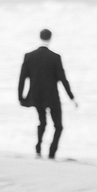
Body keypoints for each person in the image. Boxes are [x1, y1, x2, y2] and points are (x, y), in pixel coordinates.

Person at [18, 29, 78, 159]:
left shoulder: (29, 56)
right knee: (59, 126)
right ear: (50, 38)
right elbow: (63, 79)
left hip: (36, 96)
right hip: (52, 97)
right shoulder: (55, 57)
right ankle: (51, 153)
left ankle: (38, 148)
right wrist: (71, 98)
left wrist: (21, 98)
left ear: (40, 37)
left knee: (43, 122)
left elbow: (22, 78)